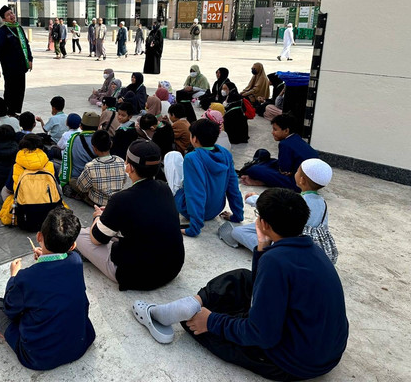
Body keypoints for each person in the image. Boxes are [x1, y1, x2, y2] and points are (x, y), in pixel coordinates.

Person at [132, 188, 348, 381]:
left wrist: (211, 322)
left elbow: (262, 335)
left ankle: (176, 312)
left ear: (263, 223)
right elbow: (262, 284)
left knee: (193, 325)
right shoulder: (312, 250)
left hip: (293, 362)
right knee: (242, 277)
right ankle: (193, 302)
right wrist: (263, 246)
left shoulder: (277, 261)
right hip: (323, 349)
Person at [0, 206, 95, 371]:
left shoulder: (25, 278)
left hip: (40, 356)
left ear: (39, 237)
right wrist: (45, 258)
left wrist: (13, 277)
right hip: (80, 342)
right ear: (73, 246)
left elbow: (10, 309)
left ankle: (9, 336)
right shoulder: (76, 261)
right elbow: (56, 273)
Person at [76, 140, 185, 291]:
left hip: (136, 276)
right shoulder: (164, 188)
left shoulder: (121, 199)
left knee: (80, 233)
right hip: (172, 268)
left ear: (130, 167)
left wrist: (98, 217)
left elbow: (96, 239)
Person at [222, 159, 337, 261]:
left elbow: (275, 209)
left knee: (238, 232)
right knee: (260, 225)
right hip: (312, 246)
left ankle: (267, 250)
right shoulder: (322, 202)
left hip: (290, 243)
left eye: (297, 171)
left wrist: (254, 199)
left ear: (302, 180)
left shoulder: (299, 202)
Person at [165, 119, 243, 237]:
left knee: (172, 158)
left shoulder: (192, 158)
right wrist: (237, 215)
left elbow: (195, 193)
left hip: (192, 211)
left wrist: (194, 228)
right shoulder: (225, 154)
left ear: (194, 139)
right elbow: (233, 187)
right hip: (216, 209)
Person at [241, 113, 319, 191]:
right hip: (309, 179)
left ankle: (262, 179)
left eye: (275, 129)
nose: (272, 132)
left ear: (286, 131)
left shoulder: (284, 144)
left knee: (254, 170)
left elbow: (284, 170)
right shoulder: (296, 137)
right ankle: (262, 168)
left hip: (299, 184)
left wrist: (287, 171)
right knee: (267, 157)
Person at [0, 134, 57, 225]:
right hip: (48, 209)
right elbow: (57, 186)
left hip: (25, 213)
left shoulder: (17, 166)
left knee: (4, 191)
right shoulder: (49, 164)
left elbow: (10, 188)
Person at [0, 6, 33, 116]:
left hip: (21, 66)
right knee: (10, 90)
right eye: (8, 15)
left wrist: (30, 59)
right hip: (9, 67)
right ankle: (9, 112)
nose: (12, 15)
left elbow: (26, 44)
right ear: (4, 19)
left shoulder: (19, 28)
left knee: (20, 90)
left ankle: (15, 112)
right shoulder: (2, 31)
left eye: (12, 13)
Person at [70, 130, 127, 206]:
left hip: (97, 201)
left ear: (94, 148)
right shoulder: (121, 161)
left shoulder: (91, 166)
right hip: (115, 199)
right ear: (111, 144)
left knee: (72, 181)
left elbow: (82, 188)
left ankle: (81, 197)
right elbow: (124, 181)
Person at [59, 111, 100, 186]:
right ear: (98, 127)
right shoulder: (101, 140)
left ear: (81, 126)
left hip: (77, 177)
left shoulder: (73, 139)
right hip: (95, 178)